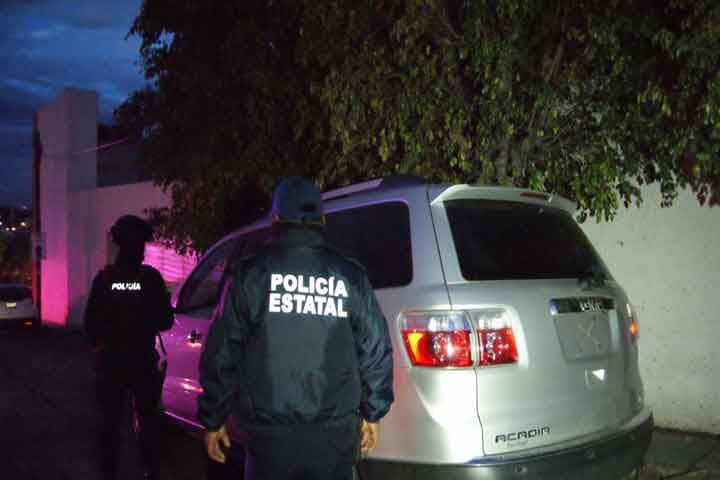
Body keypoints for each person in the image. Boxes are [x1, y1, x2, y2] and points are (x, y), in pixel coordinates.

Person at [198, 176, 394, 480]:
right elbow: (377, 349)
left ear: (275, 218)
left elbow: (222, 353)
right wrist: (373, 412)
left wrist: (214, 417)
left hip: (270, 440)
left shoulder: (250, 275)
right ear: (322, 220)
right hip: (334, 436)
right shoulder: (349, 275)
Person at [84, 215, 174, 480]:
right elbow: (165, 322)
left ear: (117, 243)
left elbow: (90, 326)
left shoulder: (104, 279)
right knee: (148, 423)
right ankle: (149, 471)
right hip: (143, 363)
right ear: (141, 246)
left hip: (111, 365)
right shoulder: (151, 279)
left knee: (109, 425)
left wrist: (102, 345)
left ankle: (109, 473)